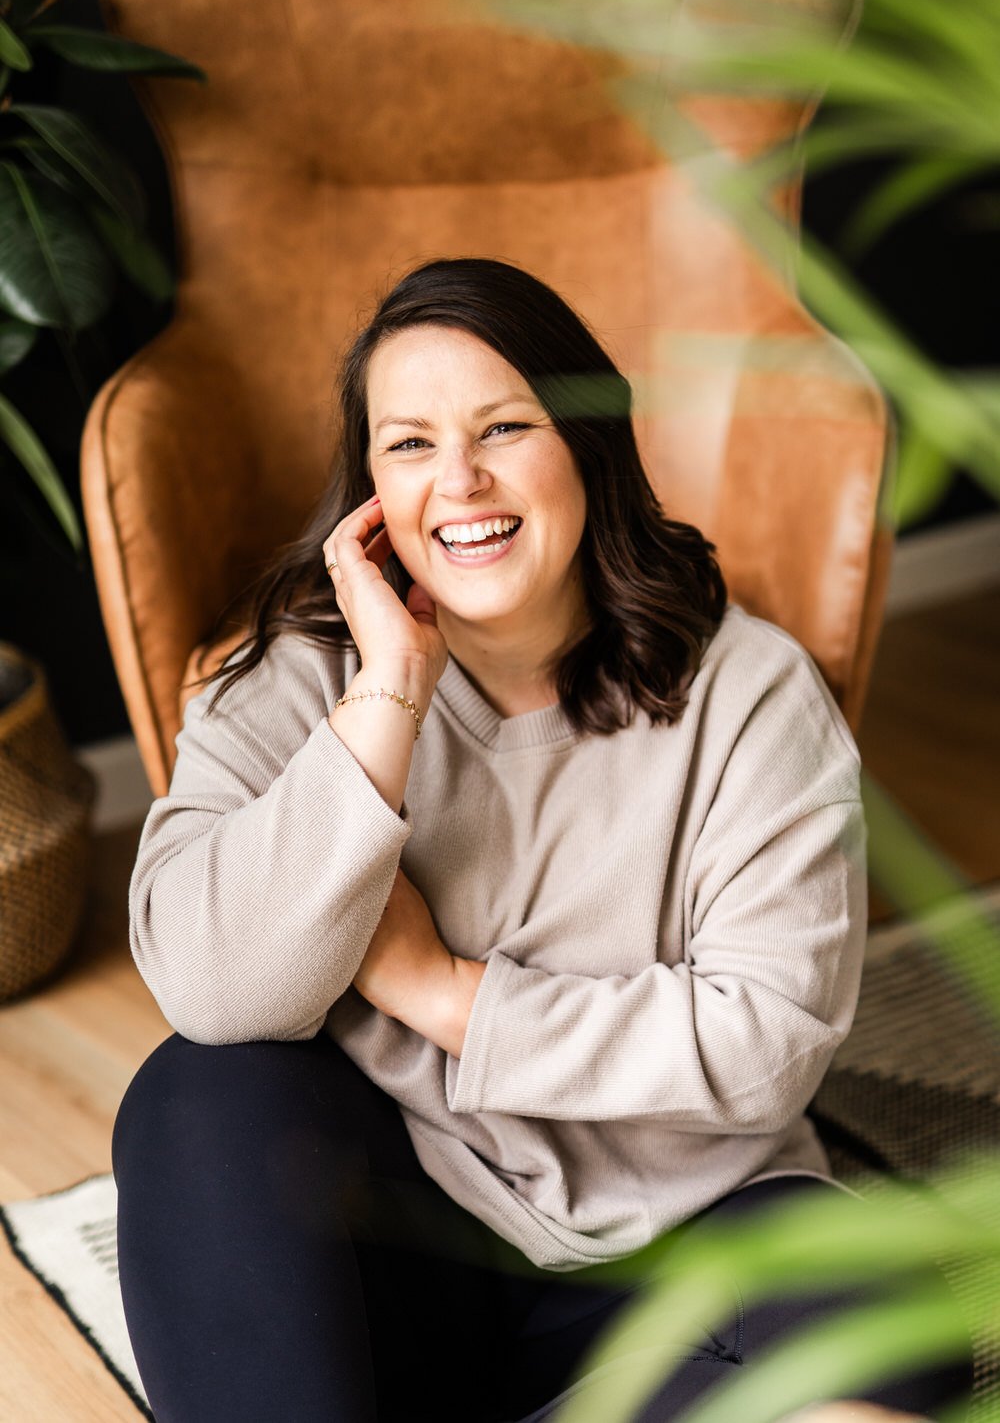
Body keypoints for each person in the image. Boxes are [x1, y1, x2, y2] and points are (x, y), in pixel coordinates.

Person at [112, 257, 972, 1423]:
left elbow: (764, 1040)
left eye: (504, 427)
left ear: (587, 446)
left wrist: (442, 992)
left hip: (688, 1243)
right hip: (401, 1244)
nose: (457, 481)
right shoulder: (289, 683)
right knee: (197, 1099)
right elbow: (212, 989)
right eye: (408, 444)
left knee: (872, 1309)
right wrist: (387, 704)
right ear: (367, 487)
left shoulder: (749, 691)